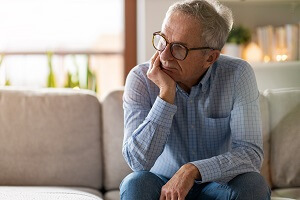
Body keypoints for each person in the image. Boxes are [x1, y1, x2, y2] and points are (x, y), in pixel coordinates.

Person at [120, 0, 271, 199]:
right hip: (162, 186)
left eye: (179, 48)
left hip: (218, 186)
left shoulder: (237, 74)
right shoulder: (141, 78)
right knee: (135, 184)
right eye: (163, 39)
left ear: (210, 58)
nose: (164, 55)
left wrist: (193, 170)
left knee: (254, 184)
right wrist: (166, 94)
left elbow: (250, 154)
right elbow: (138, 163)